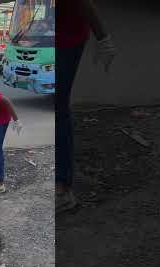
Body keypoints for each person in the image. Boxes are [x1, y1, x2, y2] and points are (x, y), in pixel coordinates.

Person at [56, 0, 117, 213]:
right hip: (47, 37)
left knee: (58, 109)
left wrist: (103, 38)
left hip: (66, 38)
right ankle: (59, 178)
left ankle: (62, 189)